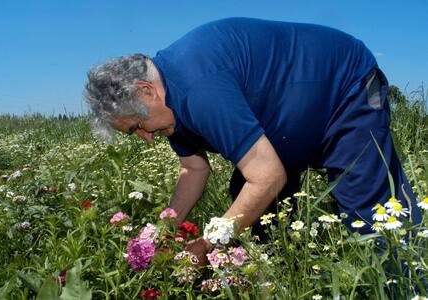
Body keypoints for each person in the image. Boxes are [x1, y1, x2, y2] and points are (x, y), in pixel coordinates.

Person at [84, 17, 422, 262]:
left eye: (136, 127)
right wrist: (163, 228)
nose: (146, 138)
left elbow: (268, 176)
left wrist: (209, 244)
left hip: (345, 86)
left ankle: (408, 282)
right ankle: (291, 274)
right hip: (291, 115)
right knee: (256, 209)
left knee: (373, 215)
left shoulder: (199, 89)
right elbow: (193, 169)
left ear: (146, 91)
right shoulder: (167, 107)